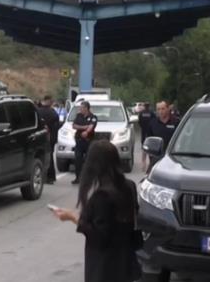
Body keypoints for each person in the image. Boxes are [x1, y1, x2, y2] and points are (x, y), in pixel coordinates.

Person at [51, 141, 141, 282]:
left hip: (105, 268)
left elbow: (99, 236)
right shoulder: (129, 187)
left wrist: (73, 217)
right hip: (125, 263)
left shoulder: (102, 196)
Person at [147, 100, 180, 172]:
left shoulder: (176, 122)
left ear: (168, 109)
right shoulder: (152, 123)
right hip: (157, 159)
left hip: (173, 157)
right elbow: (149, 140)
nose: (160, 111)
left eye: (163, 109)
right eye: (158, 109)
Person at [72, 101, 97, 185]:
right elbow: (74, 126)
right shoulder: (78, 116)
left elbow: (91, 127)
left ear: (86, 108)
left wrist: (86, 131)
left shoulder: (93, 117)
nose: (80, 109)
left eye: (81, 108)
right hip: (79, 141)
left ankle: (88, 178)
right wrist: (84, 127)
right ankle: (78, 178)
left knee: (88, 160)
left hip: (88, 141)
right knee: (78, 159)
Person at [37, 95, 60, 184]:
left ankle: (43, 176)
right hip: (51, 138)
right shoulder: (53, 113)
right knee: (49, 157)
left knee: (41, 157)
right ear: (49, 101)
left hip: (40, 137)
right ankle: (50, 177)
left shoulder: (38, 111)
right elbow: (57, 126)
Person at [137, 102, 154, 172]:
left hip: (143, 133)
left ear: (144, 106)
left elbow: (139, 122)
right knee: (150, 150)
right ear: (149, 106)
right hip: (150, 133)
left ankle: (143, 165)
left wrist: (143, 127)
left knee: (144, 149)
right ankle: (150, 164)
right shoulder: (152, 113)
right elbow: (154, 121)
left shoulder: (141, 113)